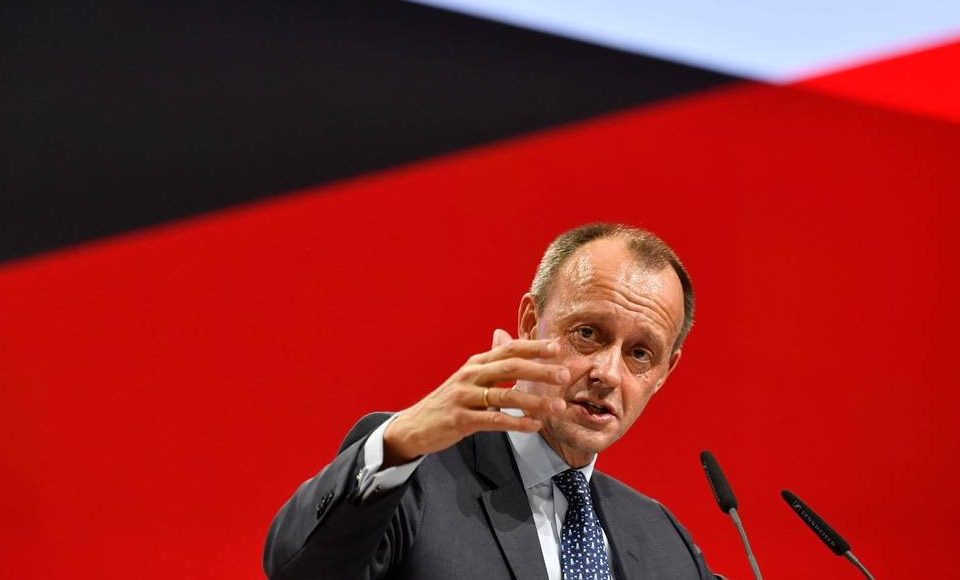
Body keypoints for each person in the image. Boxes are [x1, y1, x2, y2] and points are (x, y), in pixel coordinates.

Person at [264, 223, 716, 579]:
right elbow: (299, 568)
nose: (607, 373)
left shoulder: (664, 542)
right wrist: (401, 438)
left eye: (640, 353)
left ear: (663, 373)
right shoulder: (413, 475)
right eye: (587, 333)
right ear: (530, 322)